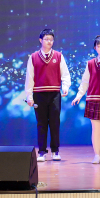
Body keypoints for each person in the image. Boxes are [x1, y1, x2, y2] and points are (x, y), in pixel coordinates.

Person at [25, 28, 70, 162]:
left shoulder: (58, 56)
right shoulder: (33, 57)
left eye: (51, 39)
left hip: (55, 94)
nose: (49, 42)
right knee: (41, 123)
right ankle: (42, 152)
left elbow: (65, 74)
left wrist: (65, 87)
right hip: (39, 94)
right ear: (40, 40)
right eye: (46, 39)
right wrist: (29, 96)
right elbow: (29, 78)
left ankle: (55, 151)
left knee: (55, 123)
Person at [72, 35, 100, 164]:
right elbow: (85, 81)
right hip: (93, 98)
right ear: (95, 48)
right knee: (95, 129)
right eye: (99, 46)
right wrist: (79, 95)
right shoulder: (90, 63)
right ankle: (96, 155)